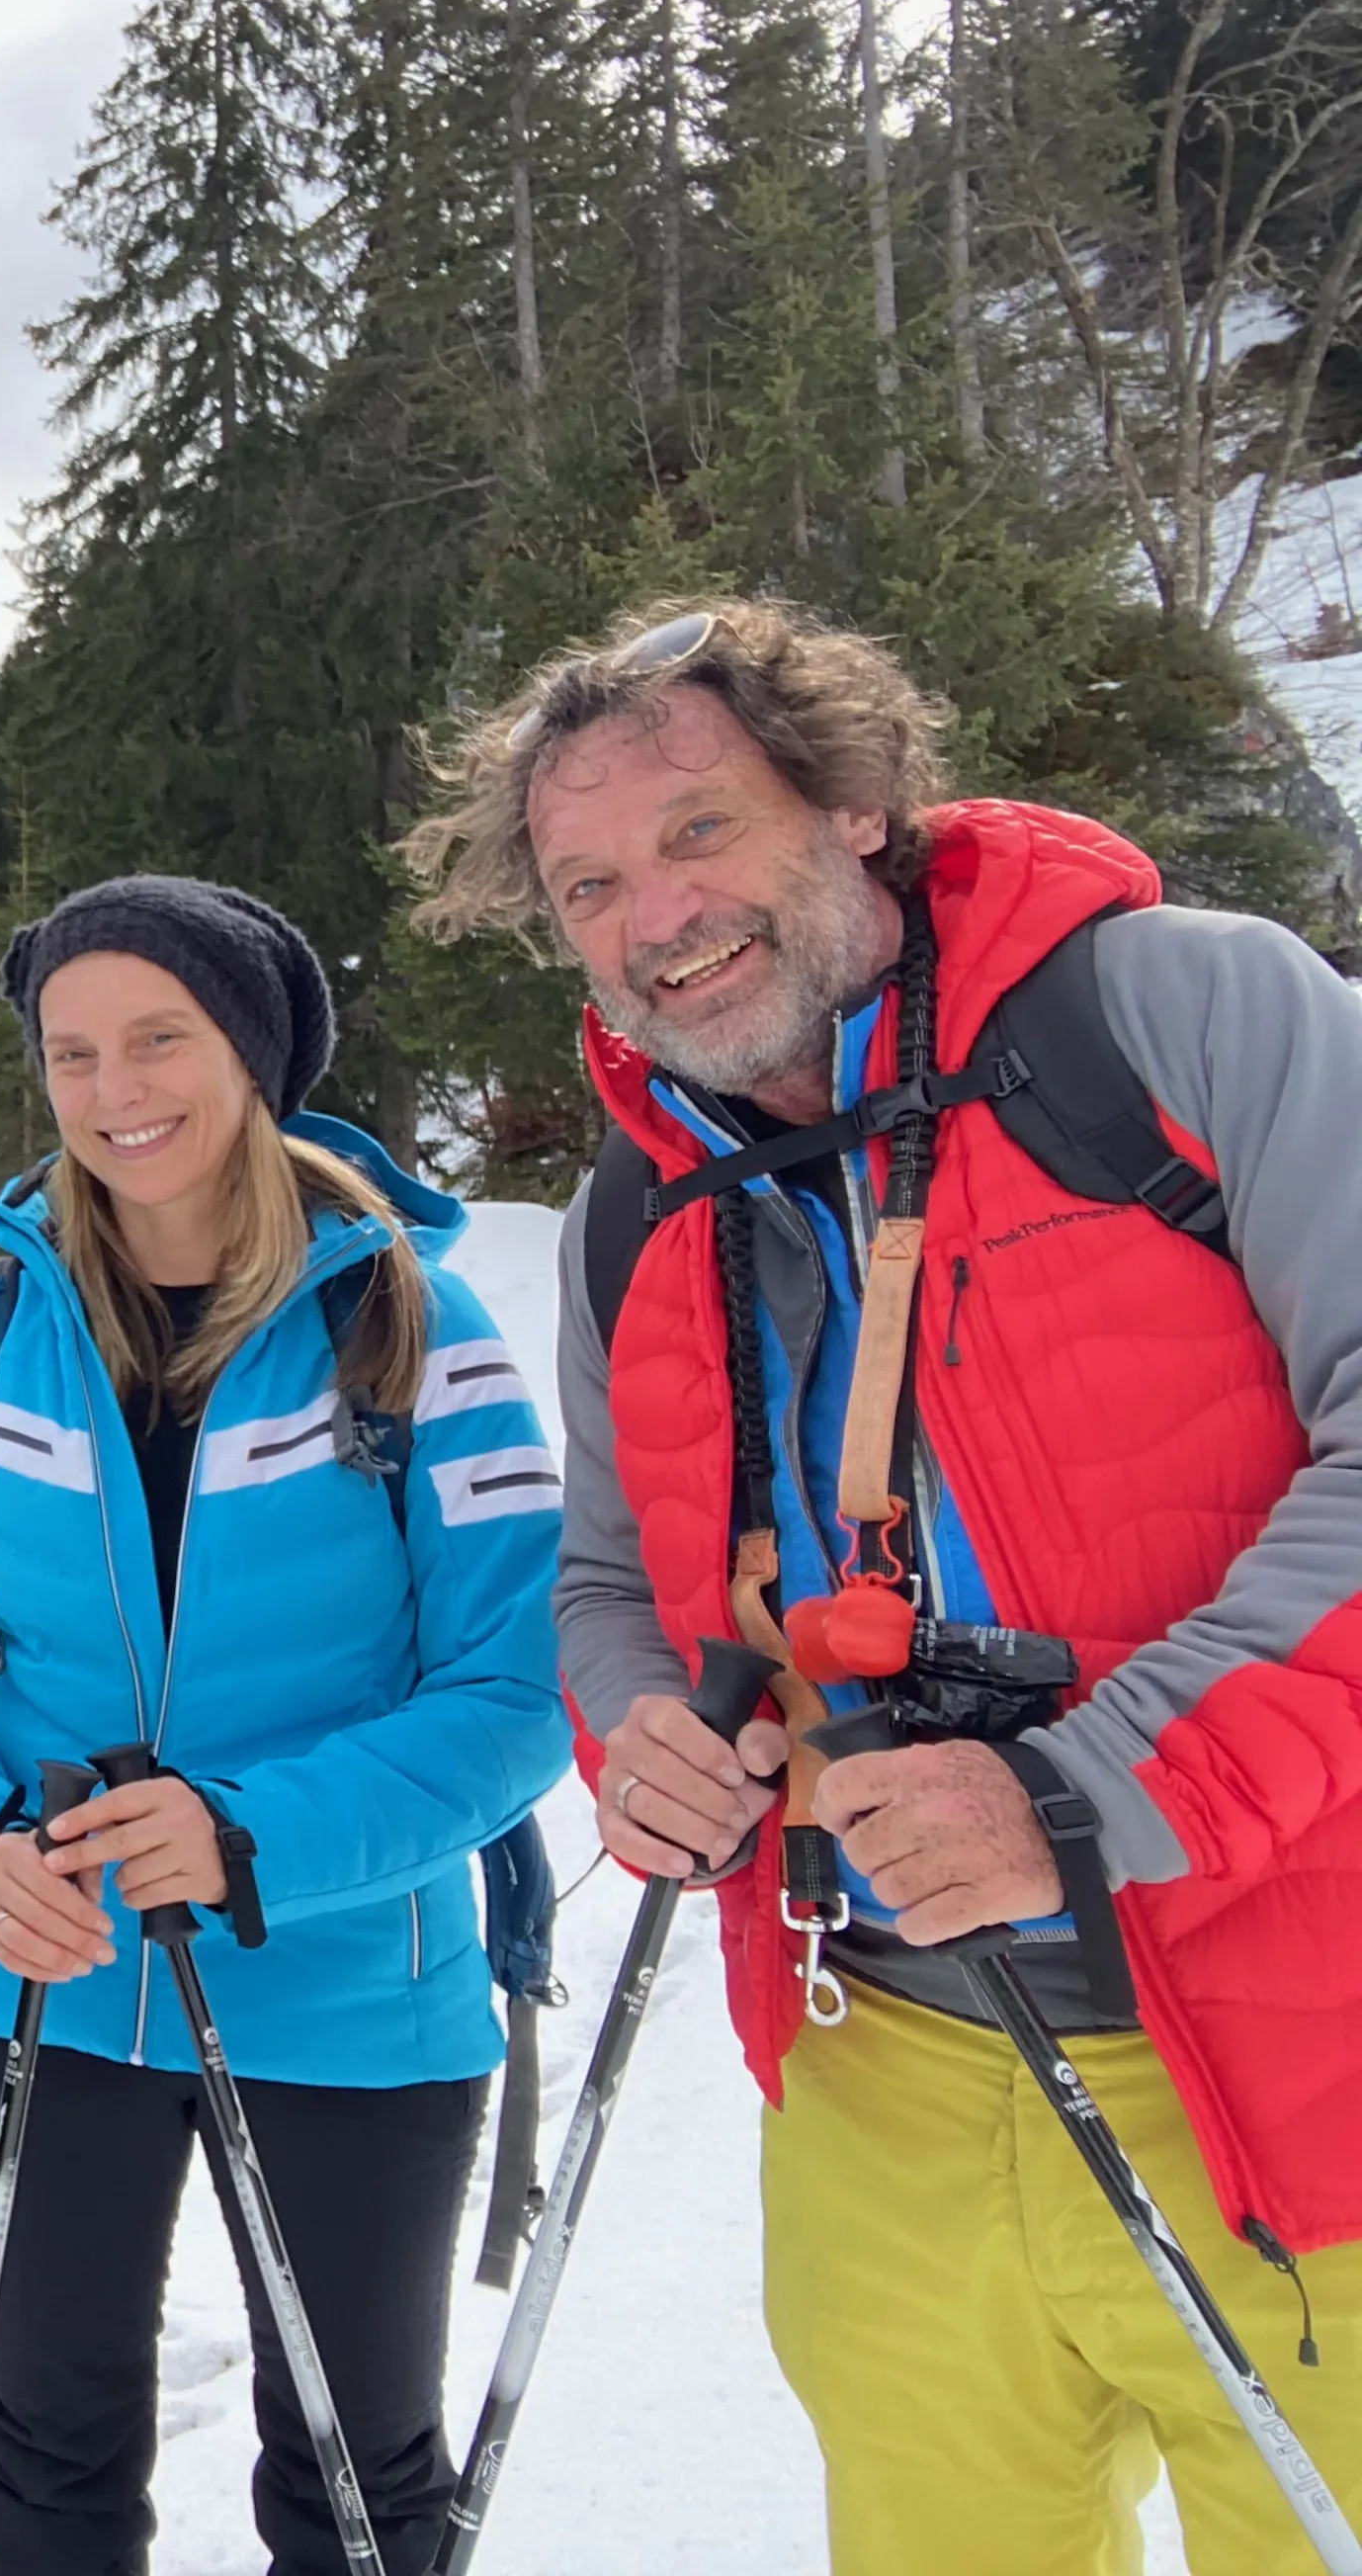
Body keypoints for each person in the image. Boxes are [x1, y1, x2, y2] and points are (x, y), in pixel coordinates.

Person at [404, 597, 1362, 2573]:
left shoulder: (1185, 1014)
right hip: (886, 2074)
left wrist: (1090, 1792)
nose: (653, 917)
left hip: (1305, 2047)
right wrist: (641, 1730)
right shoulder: (642, 1198)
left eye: (695, 834)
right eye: (587, 884)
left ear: (849, 804)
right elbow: (608, 1579)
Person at [0, 876, 568, 2576]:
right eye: (73, 1053)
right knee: (39, 2458)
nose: (115, 1090)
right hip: (39, 1969)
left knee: (357, 2478)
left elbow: (519, 1693)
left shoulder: (407, 1322)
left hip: (352, 1990)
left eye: (159, 1038)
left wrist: (252, 1835)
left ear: (251, 1055)